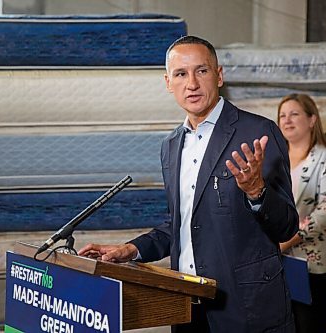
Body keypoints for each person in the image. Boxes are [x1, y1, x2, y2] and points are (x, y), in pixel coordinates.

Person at [79, 35, 299, 332]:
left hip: (246, 305)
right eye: (181, 74)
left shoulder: (257, 132)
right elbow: (180, 226)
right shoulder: (171, 145)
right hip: (187, 304)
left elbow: (287, 226)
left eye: (202, 71)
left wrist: (256, 191)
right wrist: (130, 249)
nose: (191, 83)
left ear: (219, 75)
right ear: (168, 82)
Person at [277, 94, 326, 333]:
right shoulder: (275, 161)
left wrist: (288, 241)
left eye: (294, 114)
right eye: (282, 115)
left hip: (314, 262)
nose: (287, 120)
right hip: (278, 259)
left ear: (312, 119)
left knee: (310, 326)